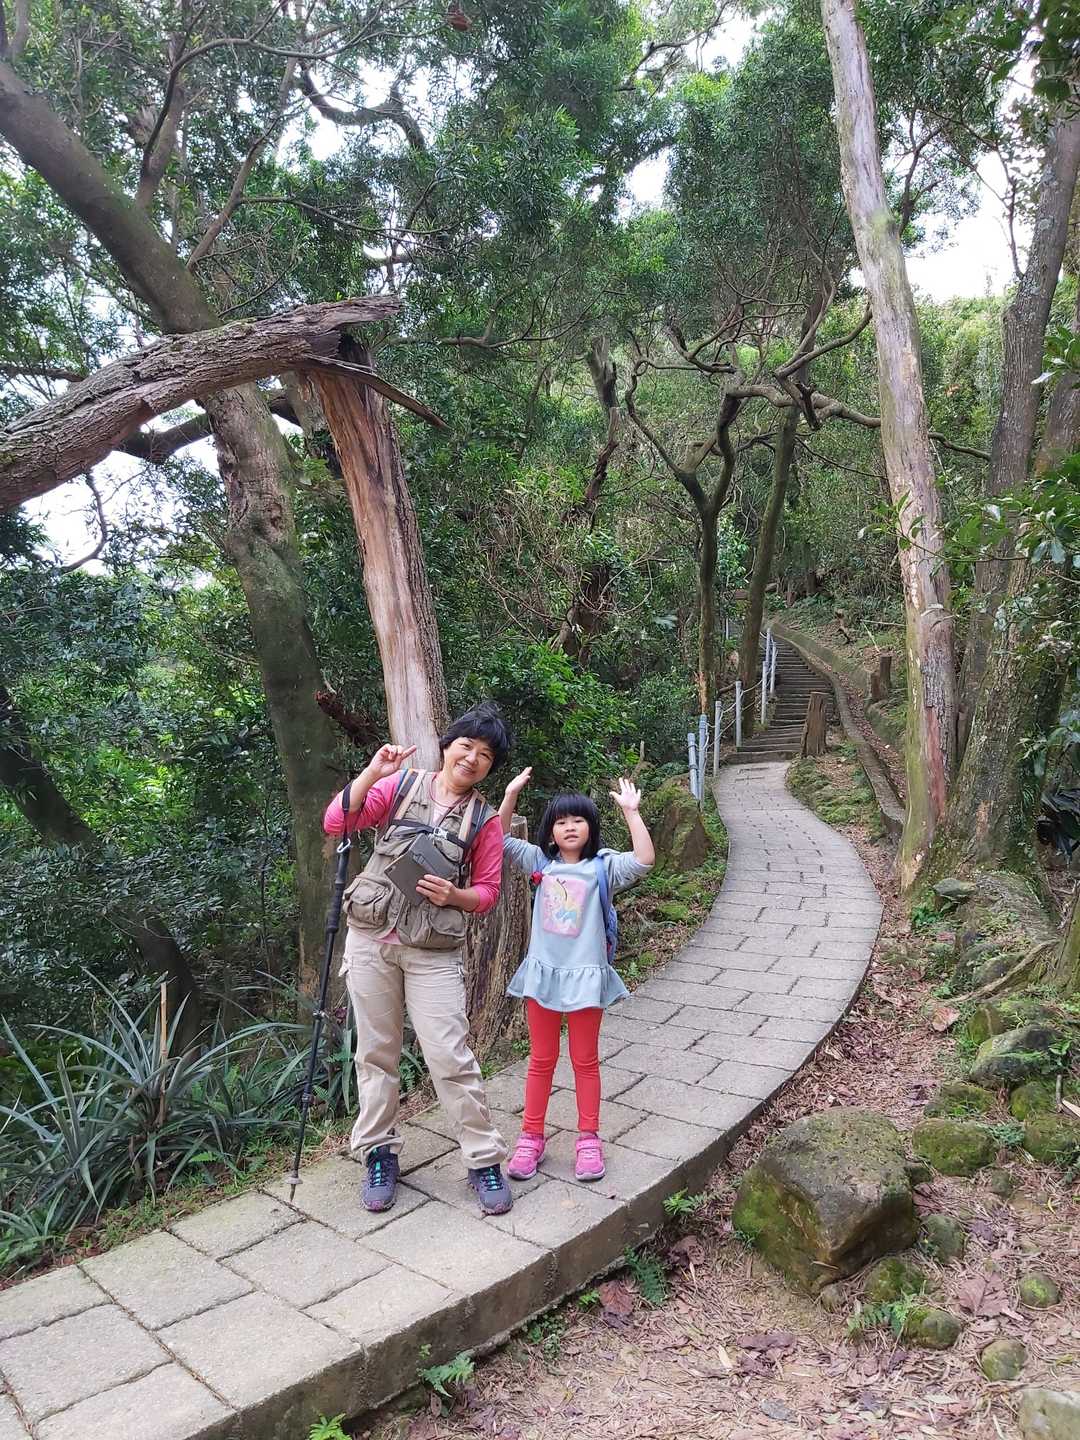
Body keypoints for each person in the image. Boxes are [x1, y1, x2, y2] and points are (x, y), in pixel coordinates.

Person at [323, 702, 513, 1216]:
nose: (472, 758)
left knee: (450, 1055)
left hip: (433, 952)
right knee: (376, 1053)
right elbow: (337, 822)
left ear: (490, 767)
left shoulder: (484, 821)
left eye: (485, 755)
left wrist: (454, 895)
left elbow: (488, 893)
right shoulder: (400, 785)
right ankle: (378, 1153)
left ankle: (483, 1159)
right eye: (466, 746)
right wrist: (372, 772)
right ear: (447, 746)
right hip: (371, 940)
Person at [497, 771, 655, 1182]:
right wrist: (510, 796)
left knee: (585, 1061)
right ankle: (531, 1137)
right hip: (543, 976)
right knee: (541, 1060)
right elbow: (498, 840)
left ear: (590, 826)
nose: (569, 827)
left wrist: (632, 813)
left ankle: (588, 1139)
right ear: (550, 830)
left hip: (586, 978)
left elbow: (644, 860)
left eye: (578, 820)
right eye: (561, 821)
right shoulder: (540, 863)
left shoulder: (604, 867)